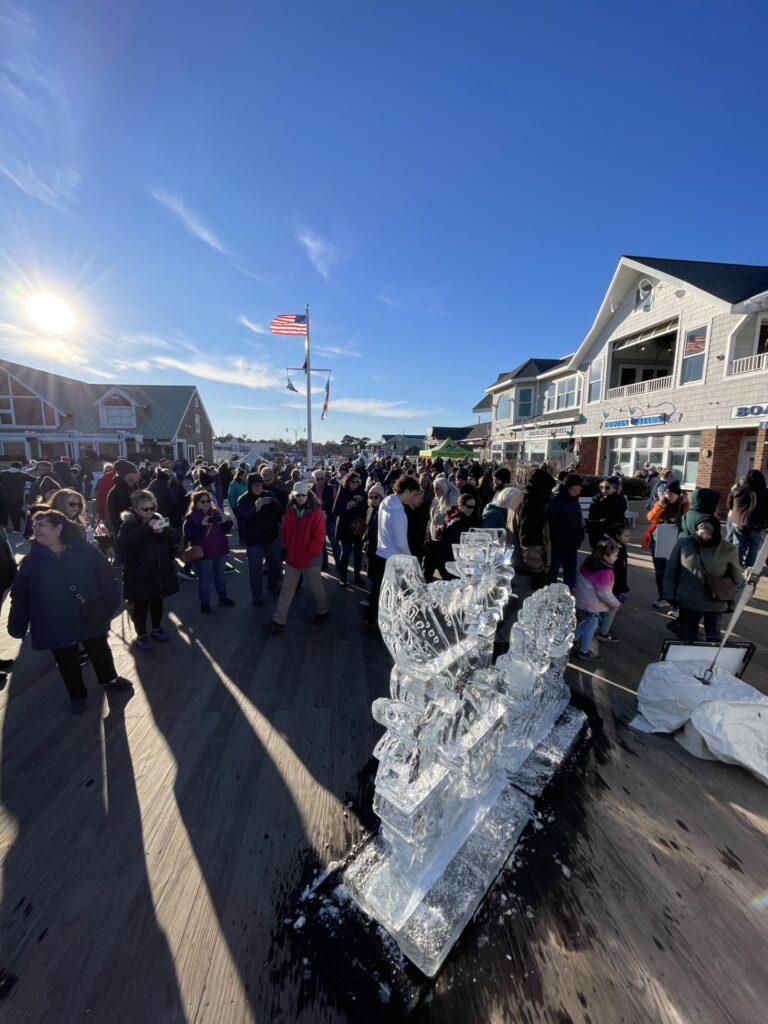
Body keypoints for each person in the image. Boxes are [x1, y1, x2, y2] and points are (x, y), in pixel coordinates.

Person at [7, 509, 130, 712]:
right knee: (66, 661)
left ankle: (109, 678)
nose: (36, 529)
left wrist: (110, 601)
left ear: (59, 528)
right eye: (35, 526)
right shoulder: (31, 562)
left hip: (88, 614)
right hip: (53, 620)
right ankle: (77, 695)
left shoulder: (85, 551)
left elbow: (106, 576)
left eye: (42, 525)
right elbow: (20, 596)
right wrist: (17, 624)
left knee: (99, 650)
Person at [663, 516, 742, 643]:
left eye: (708, 533)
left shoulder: (728, 549)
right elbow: (671, 571)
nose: (704, 536)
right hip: (689, 598)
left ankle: (713, 661)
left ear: (716, 531)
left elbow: (736, 577)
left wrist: (732, 601)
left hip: (715, 599)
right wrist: (669, 594)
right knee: (689, 635)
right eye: (701, 533)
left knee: (714, 635)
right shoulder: (684, 543)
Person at [117, 489, 180, 649]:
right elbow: (125, 542)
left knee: (157, 602)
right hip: (139, 573)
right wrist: (147, 528)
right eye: (145, 509)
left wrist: (163, 532)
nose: (149, 512)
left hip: (158, 571)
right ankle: (141, 635)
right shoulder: (129, 524)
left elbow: (175, 538)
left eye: (152, 508)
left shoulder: (159, 520)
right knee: (141, 606)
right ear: (136, 509)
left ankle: (157, 629)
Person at [262, 481, 328, 633]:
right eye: (297, 495)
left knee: (315, 586)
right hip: (293, 556)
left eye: (303, 495)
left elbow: (318, 538)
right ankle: (278, 620)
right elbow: (286, 530)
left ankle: (323, 610)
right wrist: (285, 547)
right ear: (293, 494)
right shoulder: (290, 509)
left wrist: (308, 555)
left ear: (308, 495)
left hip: (311, 558)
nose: (300, 498)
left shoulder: (316, 512)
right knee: (287, 588)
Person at [363, 475, 423, 627]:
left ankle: (369, 619)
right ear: (407, 491)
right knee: (393, 595)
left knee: (378, 591)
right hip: (392, 559)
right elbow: (401, 543)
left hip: (379, 554)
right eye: (414, 494)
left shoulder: (385, 502)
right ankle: (388, 625)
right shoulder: (399, 513)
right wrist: (410, 559)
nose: (414, 497)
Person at [182, 489, 235, 613]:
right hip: (203, 554)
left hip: (220, 551)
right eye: (202, 501)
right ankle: (205, 603)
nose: (206, 503)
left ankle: (223, 597)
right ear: (195, 503)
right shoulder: (191, 517)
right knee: (204, 580)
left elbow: (226, 530)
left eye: (208, 500)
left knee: (220, 577)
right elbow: (189, 536)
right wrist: (202, 525)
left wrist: (226, 521)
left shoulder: (216, 513)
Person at [571, 539, 621, 663]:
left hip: (583, 599)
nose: (616, 558)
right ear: (605, 555)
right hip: (593, 603)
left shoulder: (592, 561)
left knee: (588, 621)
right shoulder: (605, 572)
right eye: (615, 555)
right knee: (592, 625)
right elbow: (605, 594)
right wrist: (616, 603)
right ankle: (584, 651)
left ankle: (572, 639)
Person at [236, 473, 283, 606]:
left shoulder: (269, 494)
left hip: (270, 538)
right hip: (254, 541)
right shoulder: (243, 499)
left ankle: (272, 585)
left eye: (260, 485)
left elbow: (280, 512)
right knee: (255, 570)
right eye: (255, 485)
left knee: (275, 565)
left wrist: (274, 503)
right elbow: (244, 519)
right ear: (249, 486)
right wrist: (255, 509)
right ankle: (257, 596)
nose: (258, 488)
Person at [643, 480, 688, 608]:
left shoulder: (684, 505)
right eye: (666, 492)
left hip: (677, 541)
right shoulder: (661, 503)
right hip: (659, 538)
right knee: (660, 570)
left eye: (670, 493)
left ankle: (676, 601)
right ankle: (663, 596)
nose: (667, 495)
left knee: (675, 571)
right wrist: (660, 506)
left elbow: (688, 522)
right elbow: (651, 518)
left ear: (678, 494)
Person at [510, 467, 557, 591]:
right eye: (549, 489)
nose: (550, 493)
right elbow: (530, 543)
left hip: (516, 560)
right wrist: (538, 573)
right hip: (527, 568)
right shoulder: (532, 505)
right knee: (527, 605)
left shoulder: (519, 498)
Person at [546, 473, 584, 590]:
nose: (581, 488)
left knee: (571, 576)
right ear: (572, 487)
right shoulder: (556, 501)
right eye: (579, 485)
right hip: (558, 545)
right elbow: (549, 522)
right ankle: (548, 599)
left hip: (572, 544)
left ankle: (567, 597)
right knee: (552, 574)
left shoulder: (574, 500)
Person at [596, 522, 631, 642]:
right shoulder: (616, 551)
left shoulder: (616, 549)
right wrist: (621, 588)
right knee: (612, 610)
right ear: (617, 536)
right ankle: (603, 632)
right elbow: (617, 573)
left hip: (612, 586)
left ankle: (601, 627)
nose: (628, 538)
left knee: (606, 610)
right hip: (614, 587)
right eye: (626, 535)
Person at [332, 471, 368, 587]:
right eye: (353, 482)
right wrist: (347, 506)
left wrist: (360, 503)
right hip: (344, 528)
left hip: (358, 528)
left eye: (358, 482)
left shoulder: (363, 493)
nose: (356, 484)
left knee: (358, 554)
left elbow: (366, 511)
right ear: (347, 482)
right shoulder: (342, 492)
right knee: (346, 553)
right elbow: (335, 511)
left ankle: (357, 576)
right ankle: (343, 577)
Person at [728, 469, 768, 567]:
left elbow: (729, 504)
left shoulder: (738, 490)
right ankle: (750, 566)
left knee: (738, 545)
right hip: (757, 524)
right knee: (754, 546)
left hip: (739, 522)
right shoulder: (765, 492)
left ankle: (737, 565)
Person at [425, 476, 460, 581]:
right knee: (426, 569)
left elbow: (454, 522)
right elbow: (431, 518)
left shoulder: (452, 501)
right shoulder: (436, 500)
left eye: (438, 488)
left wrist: (442, 528)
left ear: (445, 488)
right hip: (432, 540)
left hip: (444, 543)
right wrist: (427, 531)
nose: (435, 491)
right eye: (434, 488)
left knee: (445, 572)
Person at [360, 483, 385, 608]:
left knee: (377, 578)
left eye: (376, 497)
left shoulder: (384, 511)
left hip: (379, 550)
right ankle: (374, 598)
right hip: (370, 547)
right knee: (373, 576)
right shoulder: (370, 509)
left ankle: (373, 601)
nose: (373, 499)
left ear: (382, 497)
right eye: (371, 497)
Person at [311, 468, 340, 572]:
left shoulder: (332, 489)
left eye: (322, 478)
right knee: (321, 545)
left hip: (331, 521)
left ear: (325, 478)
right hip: (317, 523)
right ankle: (324, 564)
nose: (320, 481)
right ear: (314, 479)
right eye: (317, 479)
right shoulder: (310, 491)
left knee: (335, 544)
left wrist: (333, 515)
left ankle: (339, 564)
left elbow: (337, 504)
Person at [586, 477, 627, 546]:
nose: (603, 490)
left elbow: (614, 518)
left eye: (607, 487)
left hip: (611, 533)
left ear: (615, 488)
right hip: (595, 531)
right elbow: (592, 513)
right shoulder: (597, 498)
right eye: (601, 487)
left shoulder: (619, 500)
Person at [107, 459, 141, 541]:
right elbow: (126, 518)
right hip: (127, 538)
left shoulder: (133, 489)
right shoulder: (119, 492)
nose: (138, 473)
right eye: (135, 471)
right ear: (125, 474)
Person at [0, 462, 36, 531]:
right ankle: (16, 529)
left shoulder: (3, 474)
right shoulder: (23, 475)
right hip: (17, 497)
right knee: (16, 512)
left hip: (4, 497)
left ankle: (5, 527)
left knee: (5, 512)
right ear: (20, 467)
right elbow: (35, 479)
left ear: (11, 466)